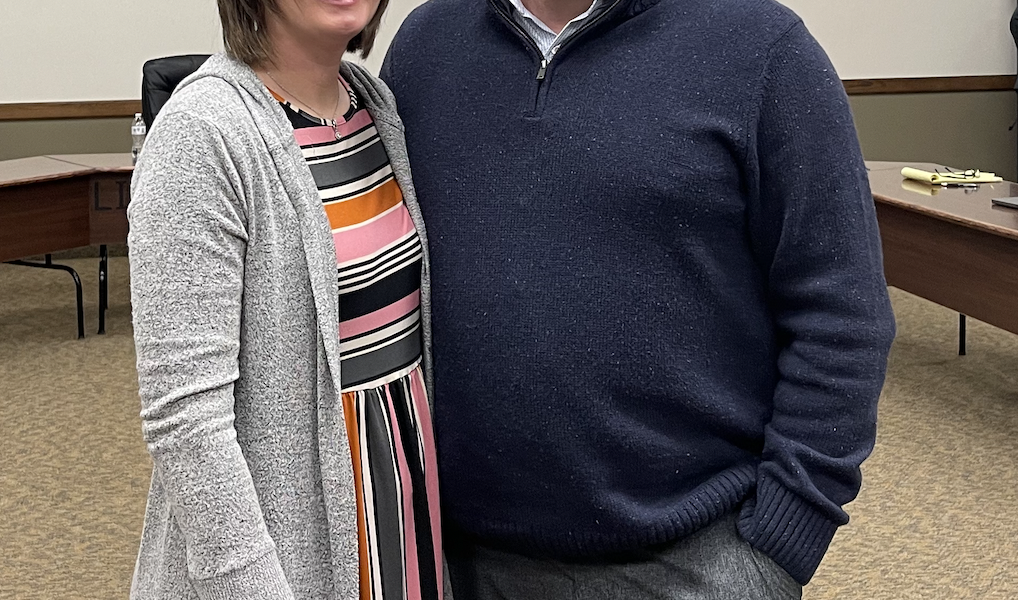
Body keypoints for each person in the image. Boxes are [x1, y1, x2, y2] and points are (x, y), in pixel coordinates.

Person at [380, 0, 896, 598]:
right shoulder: (424, 45)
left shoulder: (763, 49)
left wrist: (781, 541)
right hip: (458, 557)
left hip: (695, 559)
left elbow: (843, 313)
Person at [128, 0, 444, 598]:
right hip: (285, 544)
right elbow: (186, 421)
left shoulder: (374, 106)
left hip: (399, 505)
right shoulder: (203, 132)